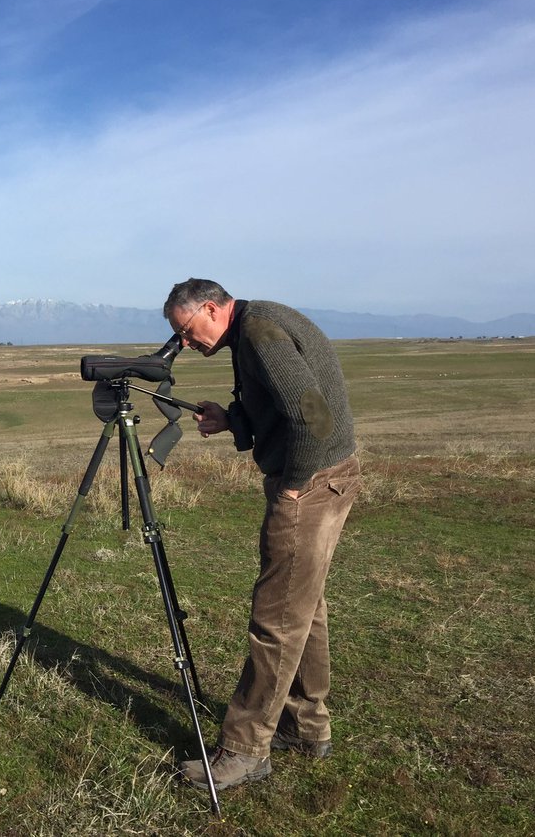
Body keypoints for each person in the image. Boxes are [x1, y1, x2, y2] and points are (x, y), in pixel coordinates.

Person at [163, 278, 362, 790]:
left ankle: (246, 750)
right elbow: (278, 404)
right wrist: (234, 420)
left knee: (275, 618)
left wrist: (295, 485)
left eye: (186, 331)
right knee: (304, 606)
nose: (185, 344)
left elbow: (310, 413)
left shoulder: (259, 334)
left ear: (211, 307)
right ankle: (305, 726)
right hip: (332, 475)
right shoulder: (253, 326)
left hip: (313, 484)